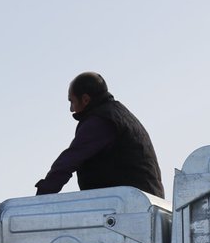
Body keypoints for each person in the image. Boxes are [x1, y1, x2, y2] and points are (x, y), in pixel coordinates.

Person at [35, 72, 164, 197]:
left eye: (72, 101)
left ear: (85, 99)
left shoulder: (101, 120)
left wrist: (43, 195)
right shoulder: (120, 115)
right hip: (144, 201)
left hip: (128, 204)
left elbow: (70, 159)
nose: (71, 109)